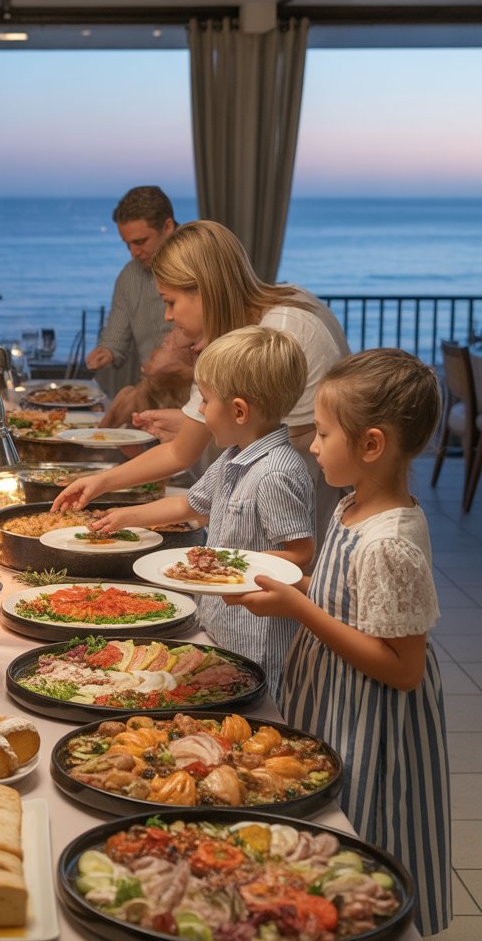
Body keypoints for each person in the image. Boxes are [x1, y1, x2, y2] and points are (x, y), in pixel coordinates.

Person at [225, 349, 452, 935]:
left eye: (323, 434)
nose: (313, 445)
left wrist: (298, 605)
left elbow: (403, 668)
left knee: (363, 822)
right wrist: (292, 583)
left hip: (371, 718)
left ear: (371, 444)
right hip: (333, 695)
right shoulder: (351, 506)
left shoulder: (389, 542)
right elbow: (340, 596)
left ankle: (367, 931)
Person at [55, 220, 350, 548]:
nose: (167, 316)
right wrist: (100, 483)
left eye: (170, 301)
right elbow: (188, 447)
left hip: (298, 519)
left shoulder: (282, 334)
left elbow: (277, 442)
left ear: (204, 290)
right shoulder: (230, 340)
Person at [90, 327, 314, 700]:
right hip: (218, 623)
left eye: (205, 401)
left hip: (256, 637)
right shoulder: (231, 458)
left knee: (251, 707)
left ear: (239, 411)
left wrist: (229, 566)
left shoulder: (275, 472)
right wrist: (125, 517)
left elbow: (301, 553)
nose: (200, 412)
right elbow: (189, 506)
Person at [83, 186, 195, 427]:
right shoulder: (129, 277)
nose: (134, 252)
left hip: (201, 405)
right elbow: (115, 339)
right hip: (150, 404)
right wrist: (106, 351)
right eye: (127, 244)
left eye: (140, 242)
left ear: (167, 227)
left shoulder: (200, 263)